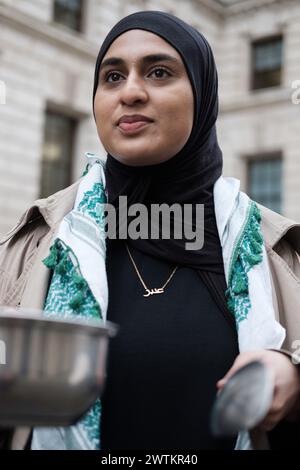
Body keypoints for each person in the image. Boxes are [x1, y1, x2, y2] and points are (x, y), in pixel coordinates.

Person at [0, 10, 300, 451]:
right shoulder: (31, 244)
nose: (131, 92)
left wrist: (294, 378)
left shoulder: (277, 251)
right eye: (113, 76)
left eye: (159, 72)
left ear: (202, 95)